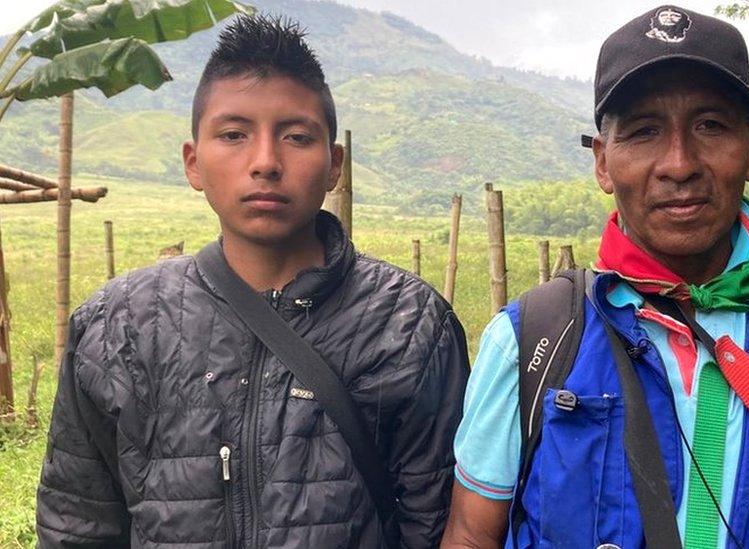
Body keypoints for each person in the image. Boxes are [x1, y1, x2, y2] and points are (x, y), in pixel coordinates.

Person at [442, 5, 749, 548]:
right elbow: (472, 535)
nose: (679, 164)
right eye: (643, 132)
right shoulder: (532, 341)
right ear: (602, 162)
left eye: (710, 125)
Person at [36, 15, 468, 548]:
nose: (265, 162)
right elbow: (78, 522)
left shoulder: (409, 326)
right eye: (234, 135)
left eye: (296, 136)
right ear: (194, 164)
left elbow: (433, 524)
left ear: (334, 164)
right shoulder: (116, 327)